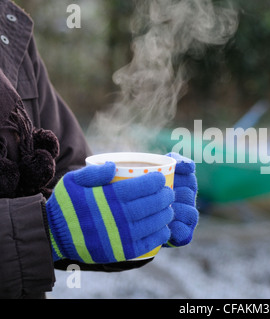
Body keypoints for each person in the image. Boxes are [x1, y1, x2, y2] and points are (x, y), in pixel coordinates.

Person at [0, 0, 199, 299]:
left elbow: (67, 170)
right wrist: (46, 232)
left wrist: (128, 198)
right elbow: (54, 222)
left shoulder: (9, 27)